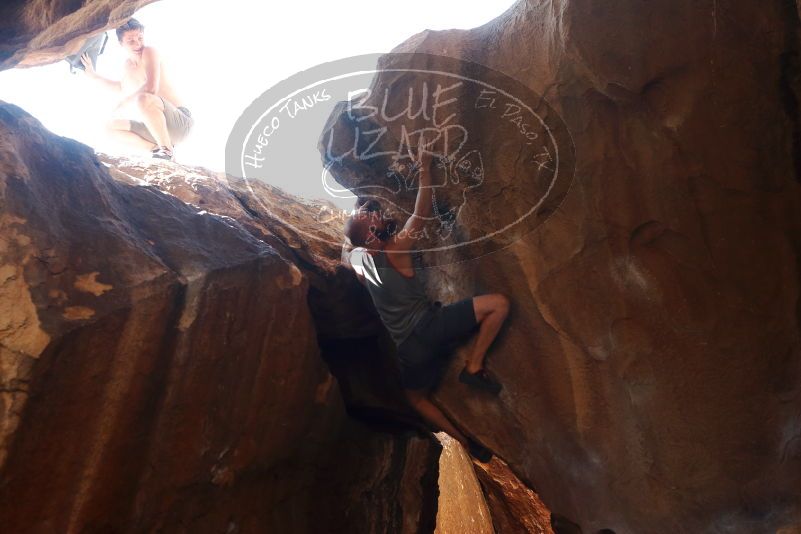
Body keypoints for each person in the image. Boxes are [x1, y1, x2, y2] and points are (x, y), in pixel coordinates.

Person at [342, 149, 510, 463]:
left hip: (408, 350)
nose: (378, 214)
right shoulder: (395, 249)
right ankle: (474, 367)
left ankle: (468, 445)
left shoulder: (365, 270)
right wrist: (425, 168)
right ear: (373, 234)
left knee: (416, 399)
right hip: (431, 329)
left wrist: (358, 232)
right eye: (373, 218)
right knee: (498, 305)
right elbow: (420, 214)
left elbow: (354, 255)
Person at [80, 18, 193, 161]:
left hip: (179, 122)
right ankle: (157, 150)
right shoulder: (128, 65)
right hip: (157, 129)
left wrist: (125, 101)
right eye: (131, 41)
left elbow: (151, 88)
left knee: (144, 99)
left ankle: (167, 151)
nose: (138, 44)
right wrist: (93, 76)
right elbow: (121, 87)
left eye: (140, 38)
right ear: (121, 43)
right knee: (110, 127)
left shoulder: (149, 52)